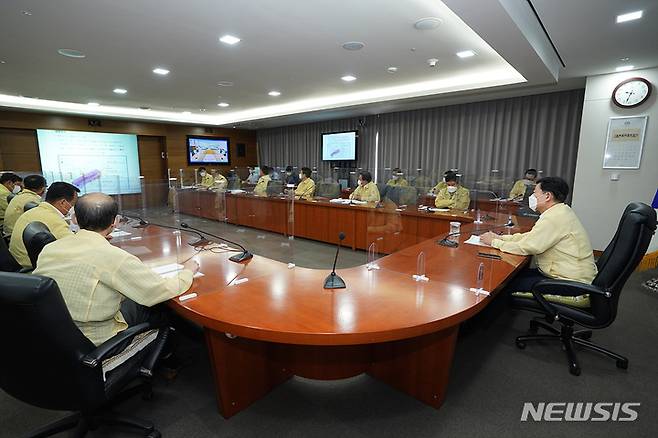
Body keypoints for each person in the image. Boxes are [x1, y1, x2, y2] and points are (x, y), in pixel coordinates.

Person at [33, 193, 195, 346]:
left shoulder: (50, 248)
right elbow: (158, 291)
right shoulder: (114, 257)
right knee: (160, 308)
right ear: (115, 222)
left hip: (53, 332)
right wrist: (188, 271)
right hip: (95, 339)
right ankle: (169, 357)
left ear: (75, 219)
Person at [480, 177, 597, 307]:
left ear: (547, 196)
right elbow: (531, 237)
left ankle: (485, 324)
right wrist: (500, 238)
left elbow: (527, 247)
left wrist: (494, 243)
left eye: (535, 193)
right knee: (511, 276)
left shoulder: (553, 218)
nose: (532, 196)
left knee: (502, 285)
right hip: (568, 275)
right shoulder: (560, 212)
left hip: (571, 283)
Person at [9, 182, 79, 268]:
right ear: (63, 203)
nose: (73, 208)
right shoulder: (54, 219)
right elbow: (76, 248)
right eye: (73, 204)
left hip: (17, 263)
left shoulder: (35, 211)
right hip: (30, 269)